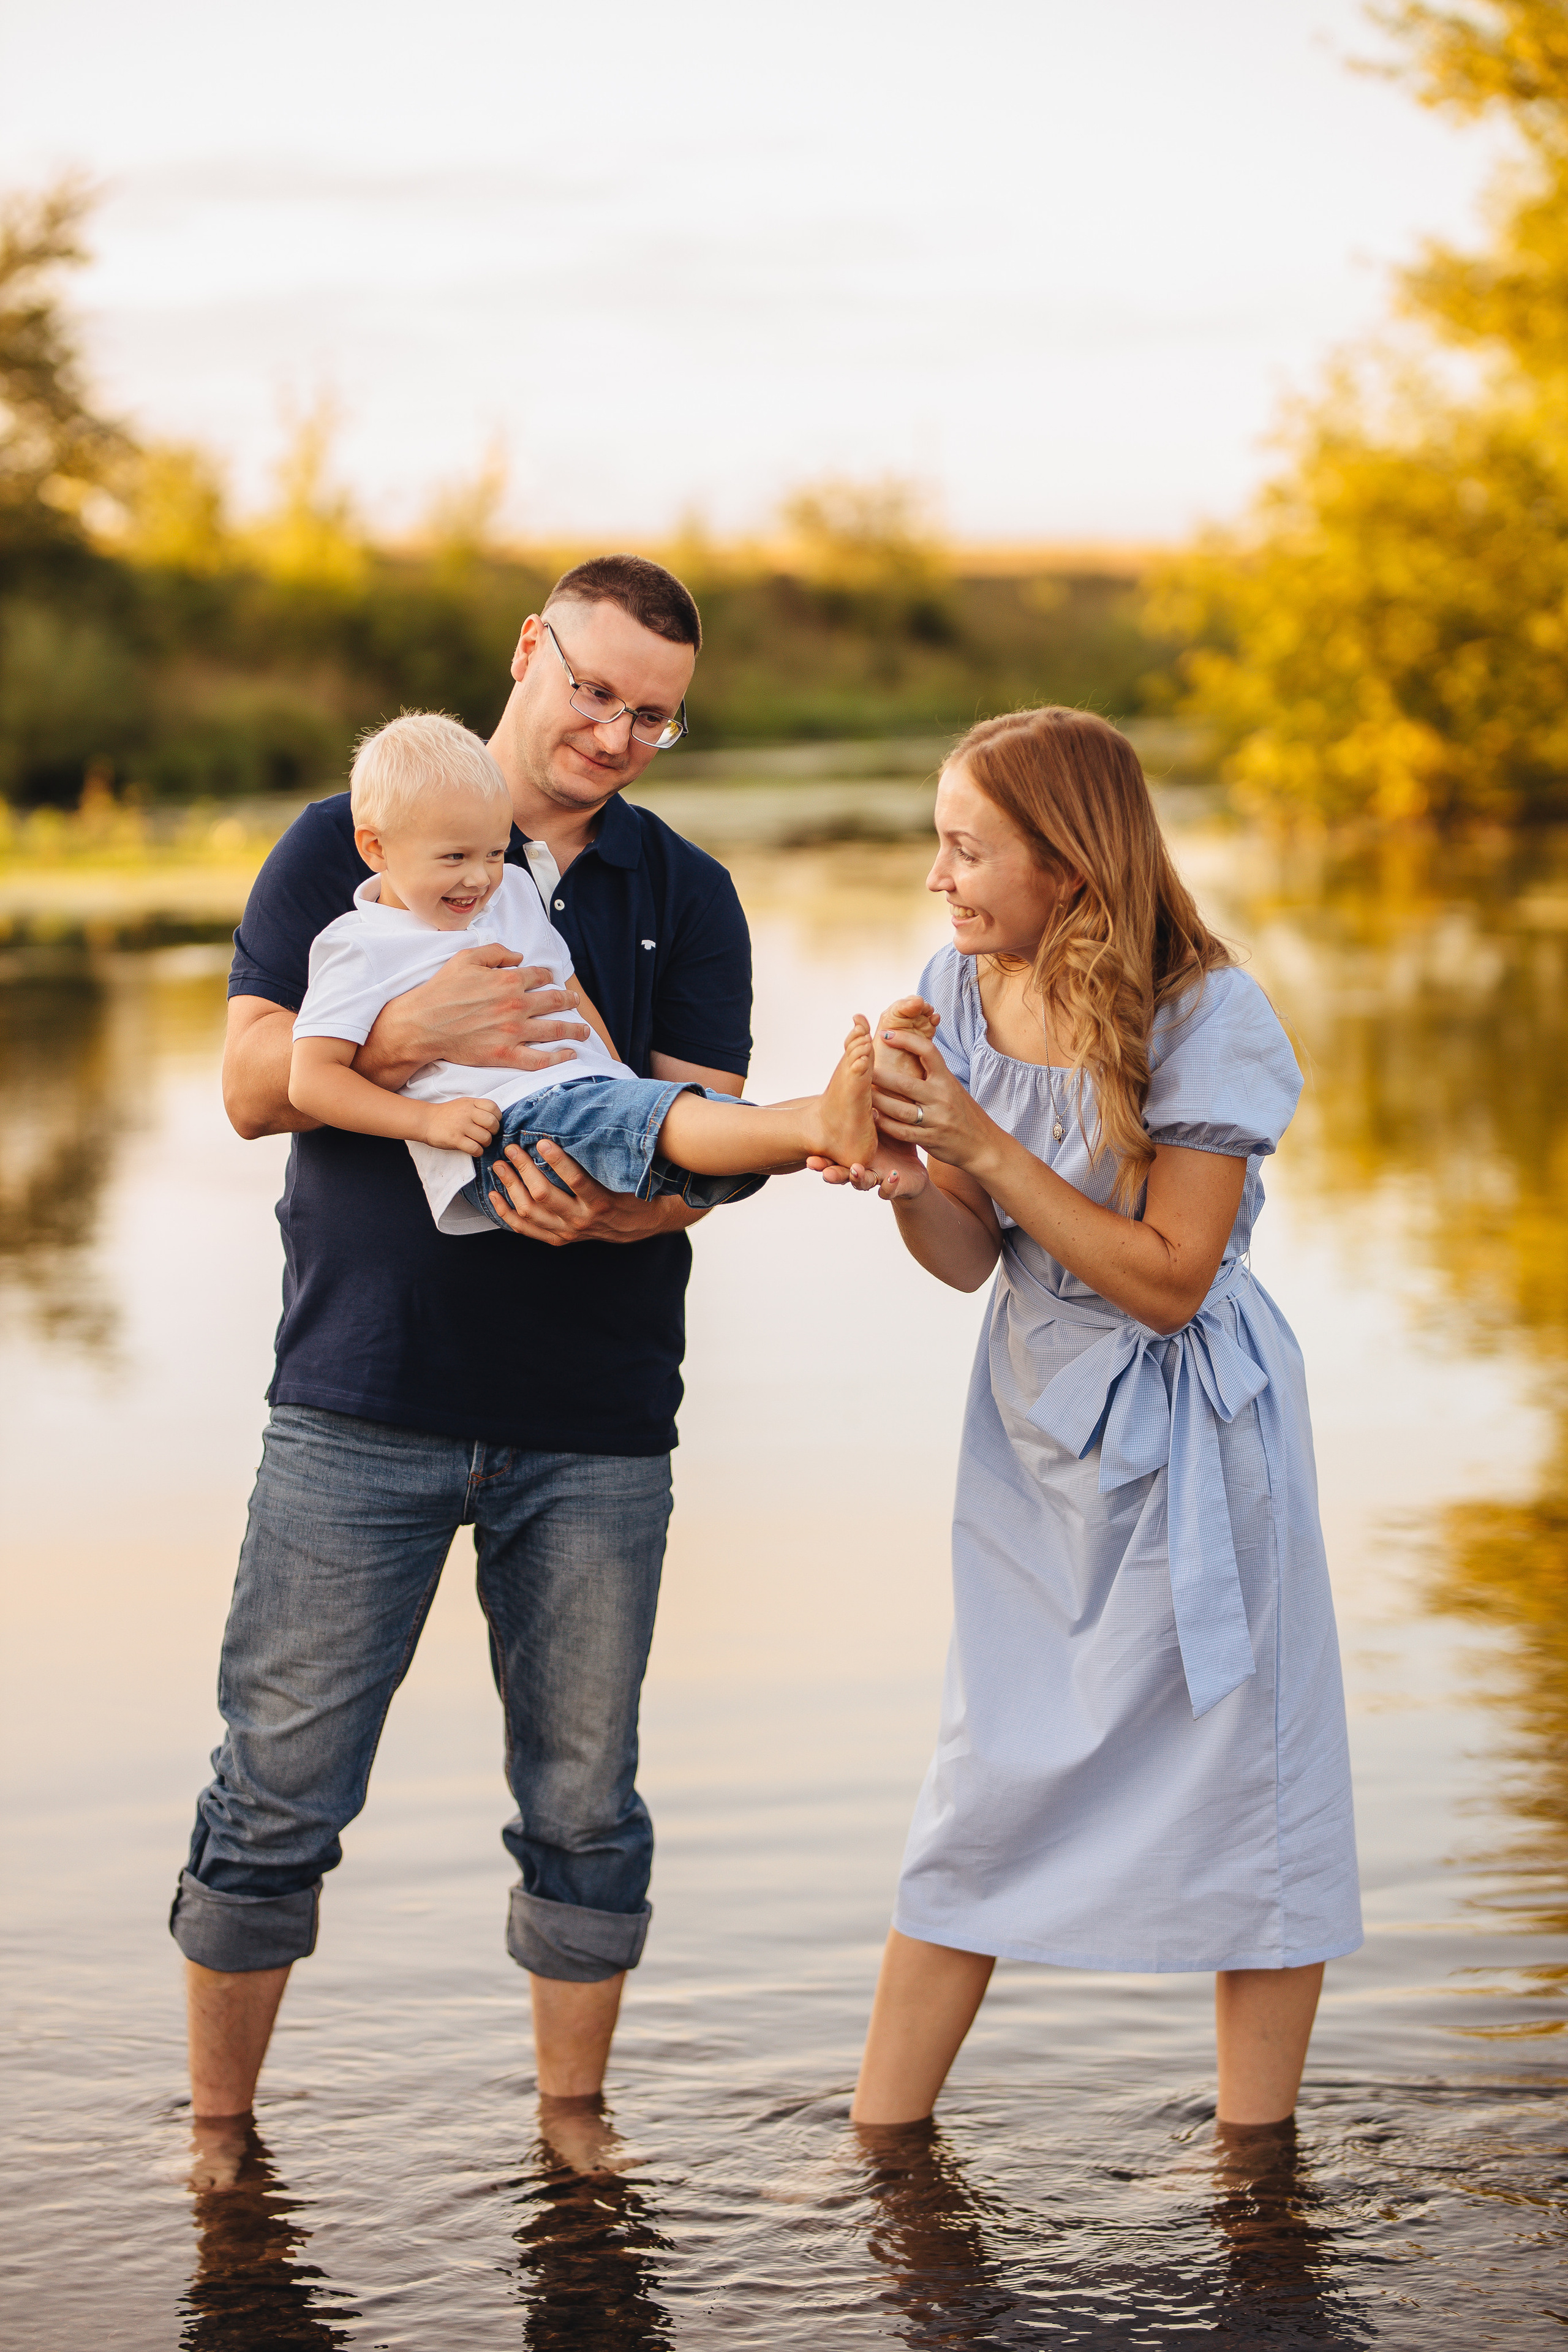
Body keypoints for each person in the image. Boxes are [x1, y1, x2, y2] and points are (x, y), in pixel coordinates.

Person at [173, 554, 761, 2128]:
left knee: (584, 1799)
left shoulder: (684, 891)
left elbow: (693, 1148)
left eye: (656, 716)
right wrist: (399, 1038)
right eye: (596, 690)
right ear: (529, 650)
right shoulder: (343, 846)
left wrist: (622, 1214)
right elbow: (246, 1089)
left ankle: (575, 2138)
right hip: (358, 1395)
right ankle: (219, 2144)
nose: (619, 732)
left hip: (593, 1417)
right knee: (276, 1787)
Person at [827, 707, 1361, 2133]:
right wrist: (906, 1178)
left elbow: (1172, 1281)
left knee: (1252, 1784)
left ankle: (1253, 2176)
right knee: (981, 1772)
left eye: (963, 847)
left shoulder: (1207, 1011)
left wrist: (980, 1146)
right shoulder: (953, 987)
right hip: (1029, 1434)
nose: (936, 878)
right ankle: (877, 2150)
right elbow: (968, 1262)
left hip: (1197, 1435)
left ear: (1064, 862)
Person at [288, 710, 884, 1222]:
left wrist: (621, 1076)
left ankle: (852, 1131)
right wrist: (425, 1121)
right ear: (376, 849)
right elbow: (311, 1080)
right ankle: (818, 1124)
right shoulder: (360, 946)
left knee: (691, 1119)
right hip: (506, 1131)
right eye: (454, 857)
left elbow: (567, 991)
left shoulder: (513, 892)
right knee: (647, 1119)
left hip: (586, 1094)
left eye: (495, 852)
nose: (480, 877)